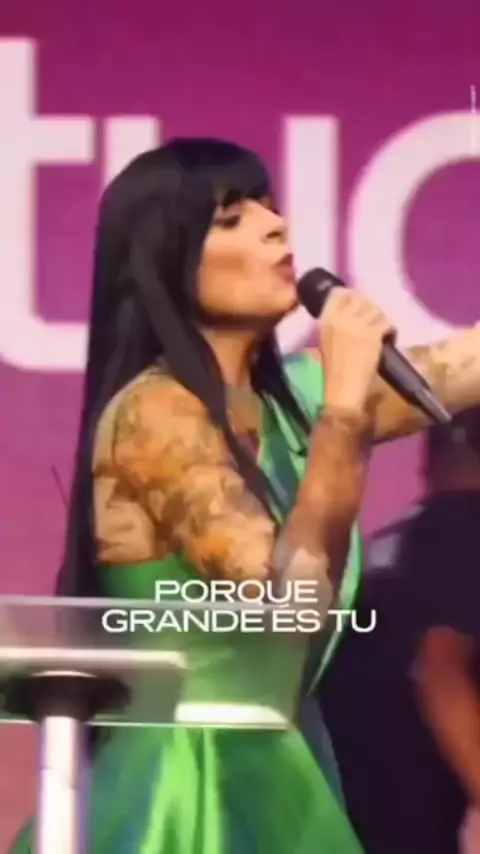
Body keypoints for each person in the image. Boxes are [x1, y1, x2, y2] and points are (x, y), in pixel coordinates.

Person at [9, 138, 480, 854]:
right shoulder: (154, 415)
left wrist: (339, 402)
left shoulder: (297, 398)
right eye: (232, 218)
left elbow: (464, 363)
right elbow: (290, 607)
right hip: (189, 781)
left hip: (283, 762)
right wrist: (344, 415)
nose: (276, 226)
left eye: (269, 205)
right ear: (167, 260)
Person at [321, 407, 480, 853]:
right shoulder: (466, 528)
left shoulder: (387, 548)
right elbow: (439, 672)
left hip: (330, 806)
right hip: (406, 820)